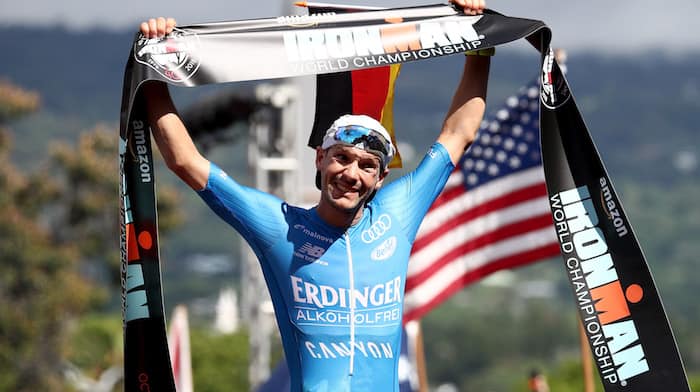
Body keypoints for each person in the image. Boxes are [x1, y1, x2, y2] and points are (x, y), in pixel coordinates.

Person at [140, 0, 489, 390]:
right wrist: (154, 69)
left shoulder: (399, 212)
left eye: (366, 165)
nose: (351, 174)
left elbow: (460, 133)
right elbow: (186, 162)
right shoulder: (280, 227)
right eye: (341, 158)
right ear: (320, 159)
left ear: (381, 176)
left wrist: (479, 41)